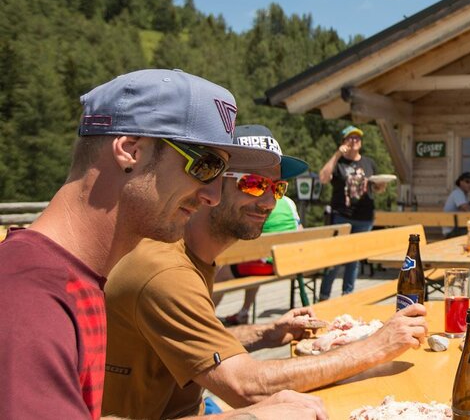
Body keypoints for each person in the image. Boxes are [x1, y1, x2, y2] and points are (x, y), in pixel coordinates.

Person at [0, 68, 323, 420]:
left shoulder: (76, 275)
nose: (213, 196)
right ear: (130, 150)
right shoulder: (29, 298)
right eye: (204, 165)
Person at [103, 125, 428, 418]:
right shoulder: (165, 269)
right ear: (210, 184)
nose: (269, 202)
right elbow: (246, 387)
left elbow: (195, 343)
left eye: (278, 188)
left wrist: (265, 333)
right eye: (255, 184)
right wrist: (376, 345)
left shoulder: (190, 256)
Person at [215, 193, 303, 326]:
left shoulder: (260, 204)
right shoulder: (289, 203)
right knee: (254, 260)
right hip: (289, 261)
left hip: (268, 264)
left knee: (221, 274)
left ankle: (204, 317)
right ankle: (244, 312)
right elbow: (300, 230)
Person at [317, 125, 378, 300]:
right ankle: (324, 296)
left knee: (354, 259)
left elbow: (376, 187)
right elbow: (323, 178)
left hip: (364, 217)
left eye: (357, 138)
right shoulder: (339, 163)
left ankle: (347, 296)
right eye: (350, 138)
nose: (354, 141)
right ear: (343, 142)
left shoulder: (368, 162)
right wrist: (337, 155)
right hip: (342, 216)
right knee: (335, 258)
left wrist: (380, 186)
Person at [442, 170, 470, 236]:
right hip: (452, 231)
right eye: (467, 182)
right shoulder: (458, 193)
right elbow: (468, 210)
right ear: (460, 182)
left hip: (458, 227)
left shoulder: (464, 195)